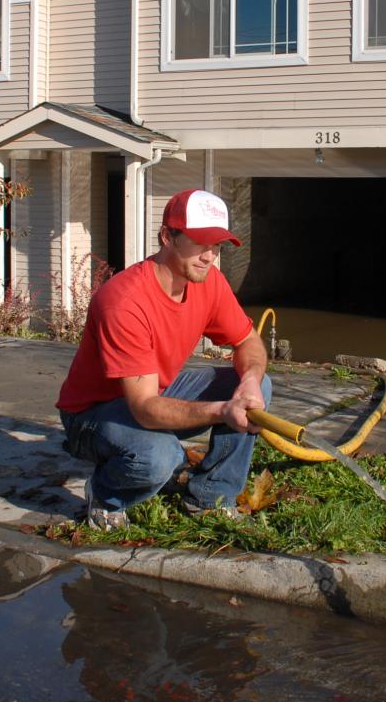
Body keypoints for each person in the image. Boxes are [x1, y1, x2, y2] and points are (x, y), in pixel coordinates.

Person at [57, 188, 271, 530]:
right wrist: (221, 411)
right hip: (91, 416)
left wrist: (247, 382)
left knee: (256, 385)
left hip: (154, 391)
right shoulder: (124, 301)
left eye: (217, 245)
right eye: (200, 242)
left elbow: (249, 341)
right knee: (161, 456)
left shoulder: (208, 281)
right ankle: (106, 496)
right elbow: (143, 407)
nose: (210, 255)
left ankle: (210, 498)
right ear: (166, 237)